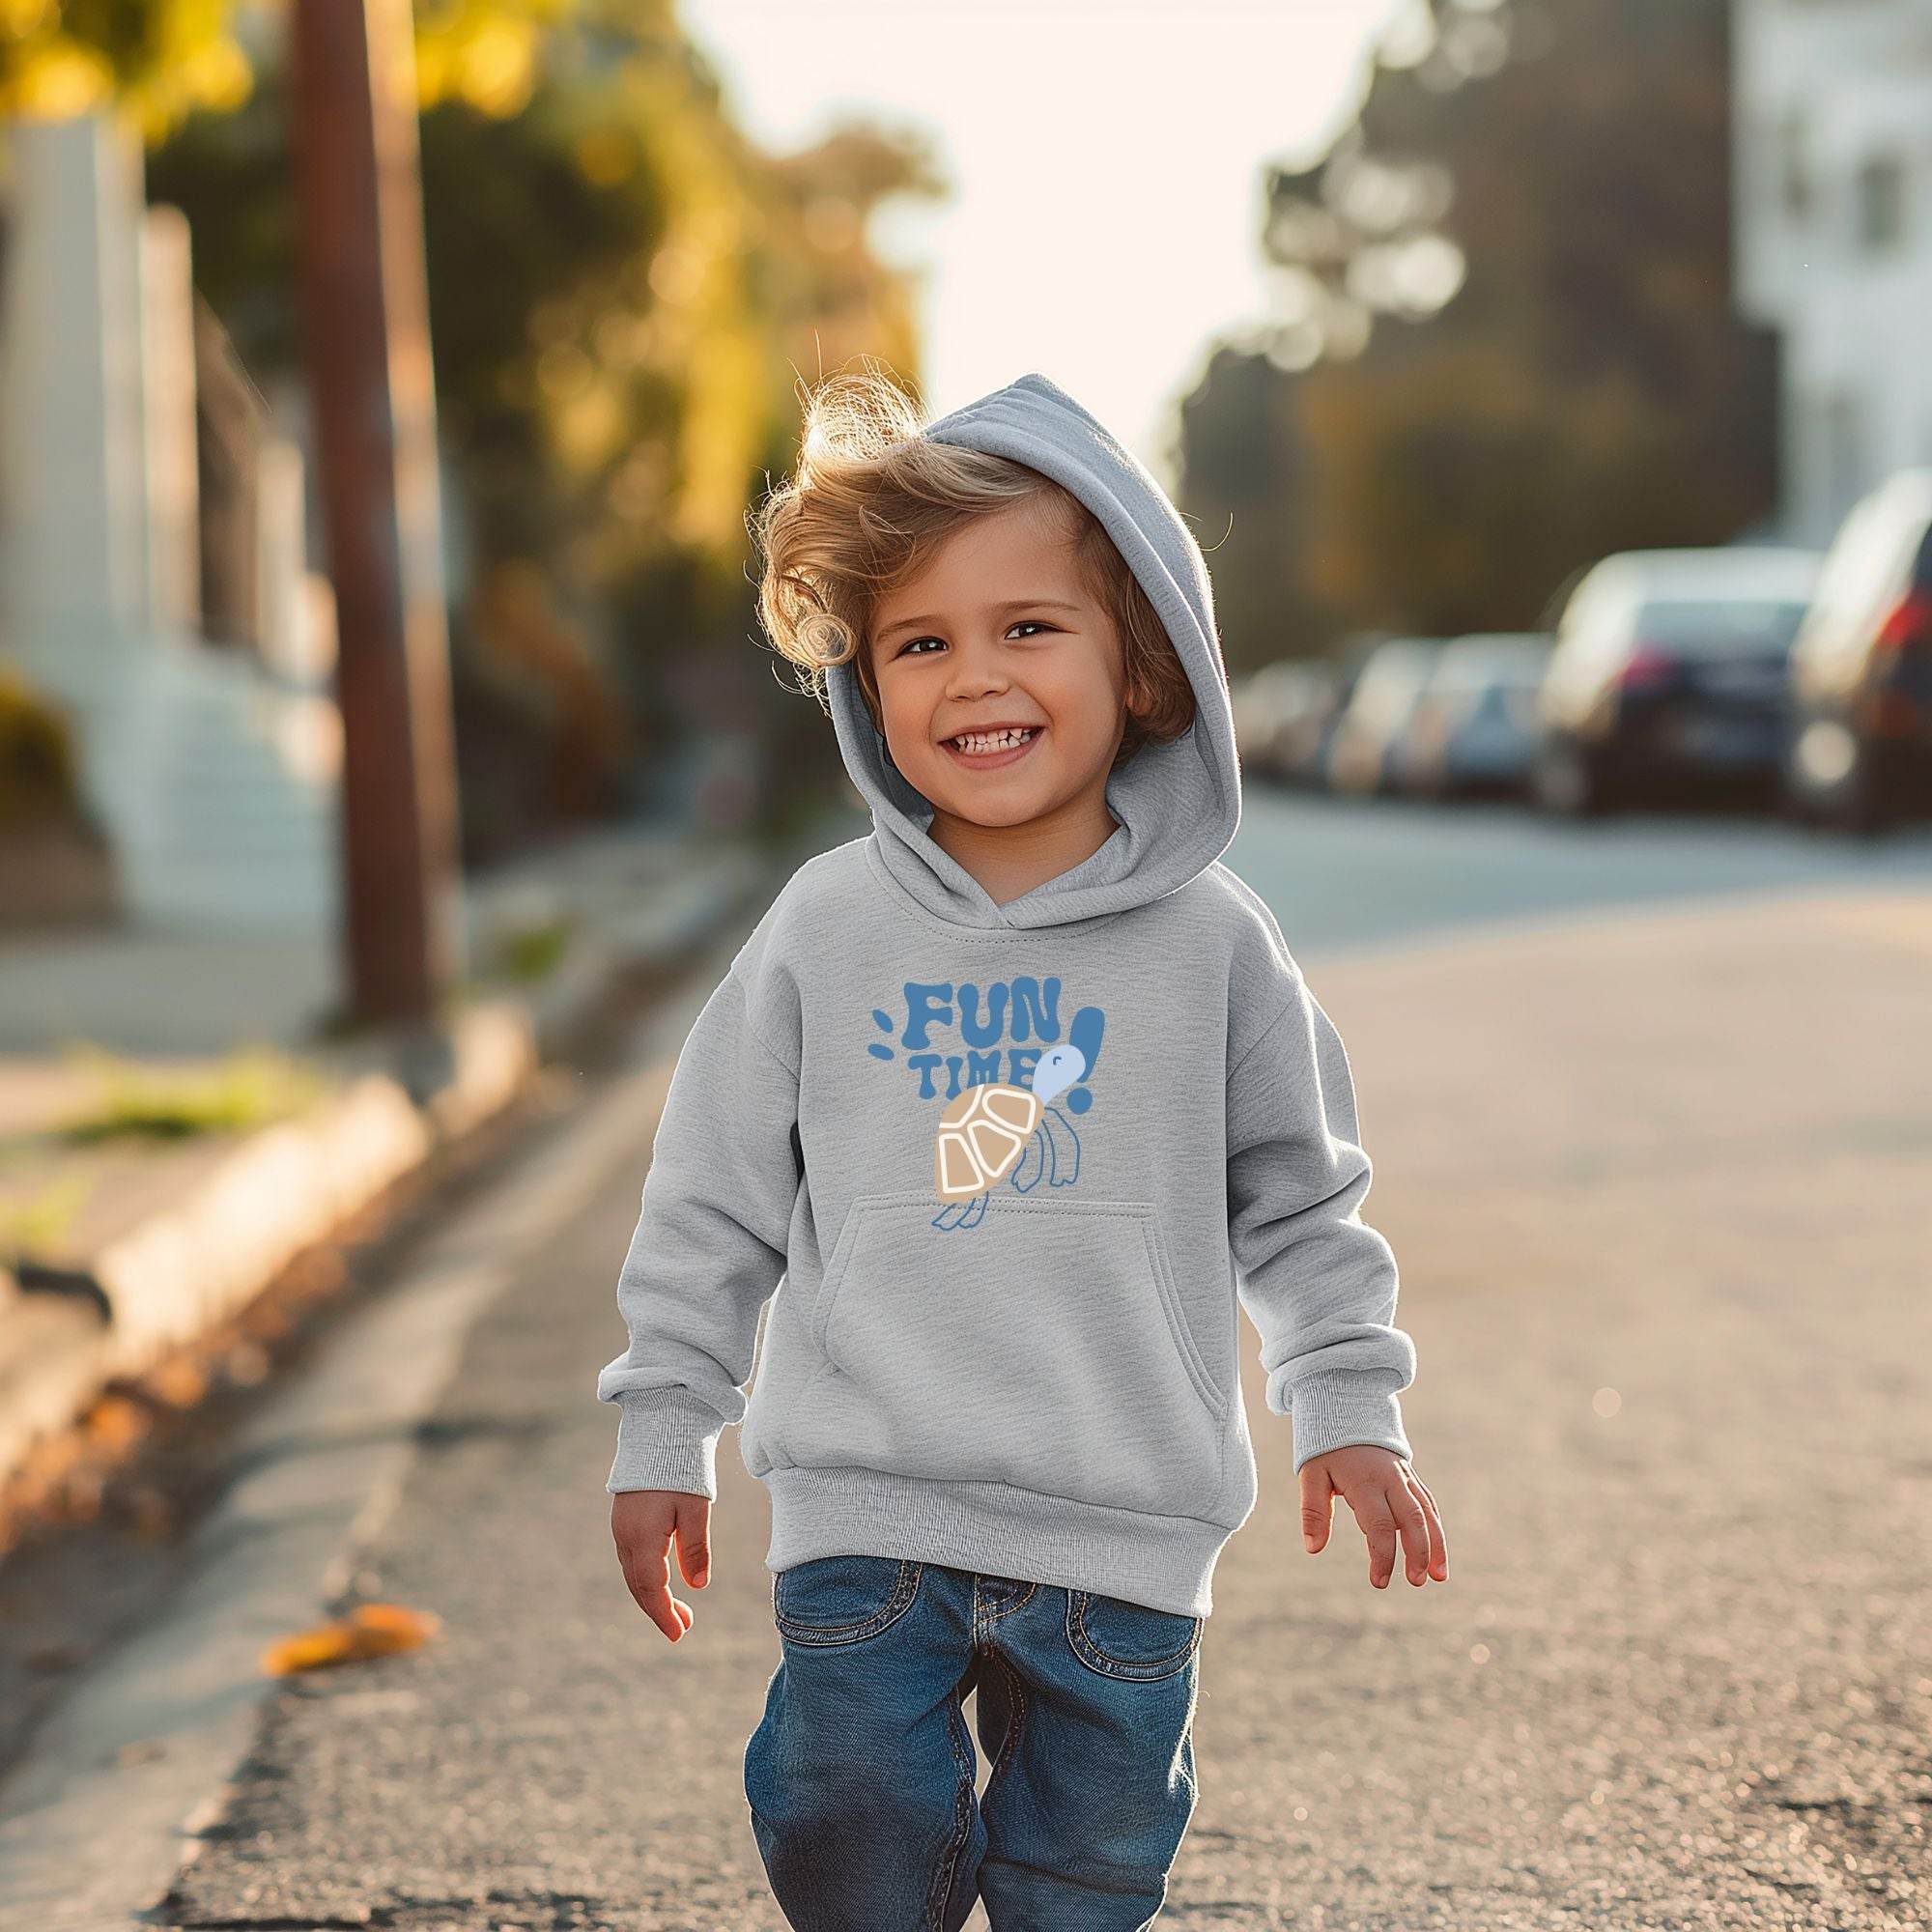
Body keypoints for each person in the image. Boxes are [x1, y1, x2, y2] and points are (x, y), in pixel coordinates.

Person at [598, 368, 1449, 1930]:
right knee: (841, 1822)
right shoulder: (823, 930)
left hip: (1121, 1524)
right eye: (921, 642)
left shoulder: (1215, 948)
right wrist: (668, 1424)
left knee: (1092, 1873)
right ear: (867, 680)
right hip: (871, 1504)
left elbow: (1305, 1194)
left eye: (1029, 627)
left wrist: (1347, 1399)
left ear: (1146, 667)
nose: (971, 677)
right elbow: (712, 1198)